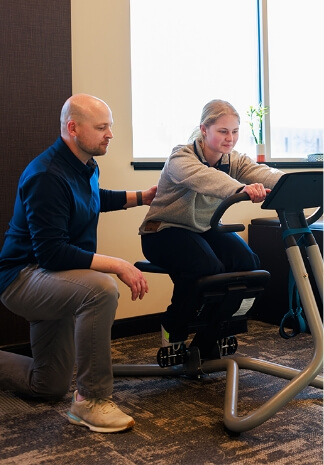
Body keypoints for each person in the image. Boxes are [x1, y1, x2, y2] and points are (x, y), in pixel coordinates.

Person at [0, 94, 157, 433]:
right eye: (101, 127)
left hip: (54, 277)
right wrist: (116, 264)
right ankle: (91, 401)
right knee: (101, 289)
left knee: (48, 386)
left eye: (109, 126)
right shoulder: (46, 175)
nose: (110, 134)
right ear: (73, 128)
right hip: (23, 278)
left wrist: (141, 198)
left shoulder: (85, 165)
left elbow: (92, 199)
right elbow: (52, 254)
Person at [139, 99, 284, 346]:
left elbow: (263, 173)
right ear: (204, 130)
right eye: (223, 131)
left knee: (248, 264)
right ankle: (173, 328)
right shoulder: (180, 157)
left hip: (203, 230)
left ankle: (212, 335)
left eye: (235, 132)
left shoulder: (233, 160)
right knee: (206, 266)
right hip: (163, 232)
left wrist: (293, 184)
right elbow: (207, 179)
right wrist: (242, 189)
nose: (230, 138)